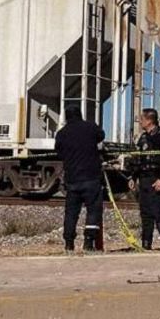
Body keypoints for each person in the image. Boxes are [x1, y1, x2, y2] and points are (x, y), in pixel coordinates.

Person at [54, 106, 105, 252]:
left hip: (72, 180)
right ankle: (89, 242)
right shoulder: (90, 127)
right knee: (93, 211)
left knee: (71, 213)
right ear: (80, 115)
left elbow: (59, 152)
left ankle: (69, 243)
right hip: (91, 177)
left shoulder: (62, 133)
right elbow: (101, 135)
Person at [128, 108, 160, 250]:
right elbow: (138, 159)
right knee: (145, 213)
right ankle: (146, 243)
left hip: (156, 178)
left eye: (141, 119)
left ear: (149, 120)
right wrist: (133, 176)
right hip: (143, 179)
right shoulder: (143, 137)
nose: (140, 121)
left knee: (158, 212)